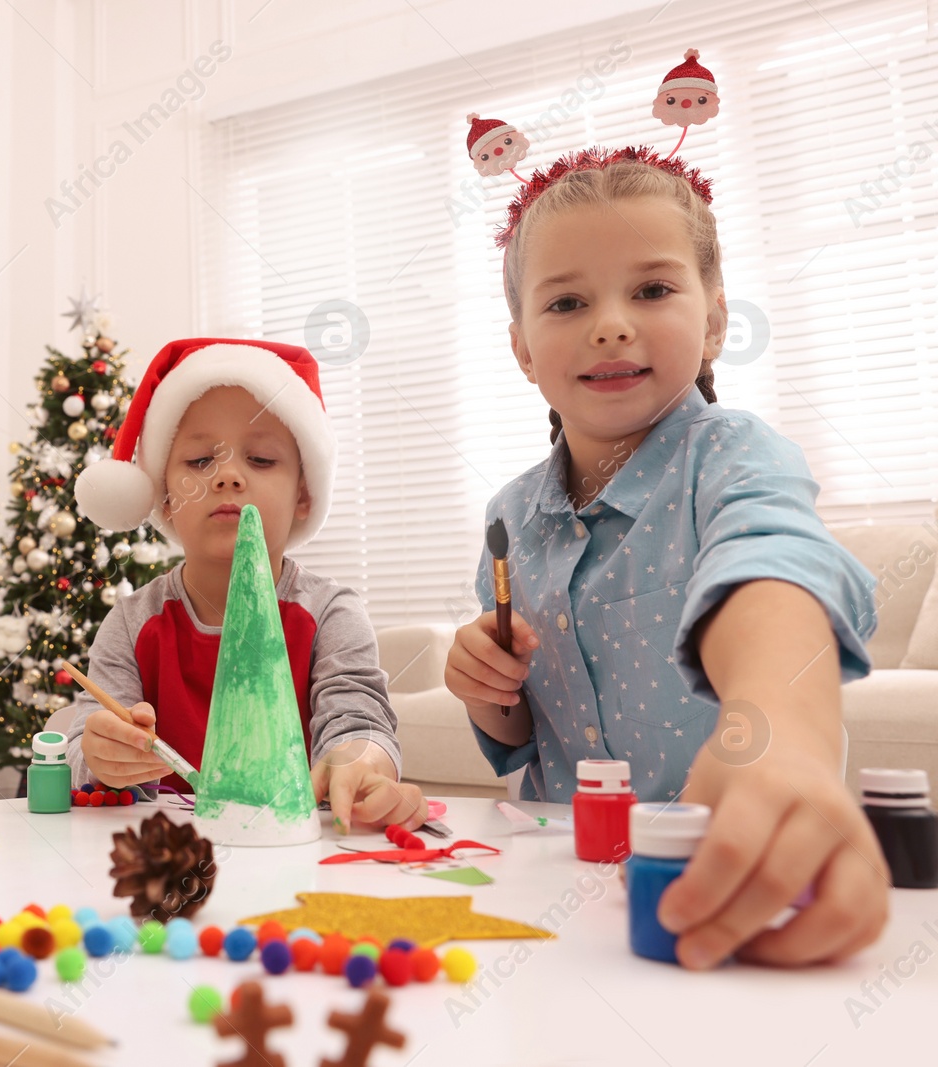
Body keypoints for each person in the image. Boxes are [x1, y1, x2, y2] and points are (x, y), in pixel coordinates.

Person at [444, 148, 886, 968]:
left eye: (651, 290)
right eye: (569, 300)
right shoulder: (511, 514)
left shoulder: (736, 458)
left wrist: (783, 732)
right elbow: (522, 728)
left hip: (718, 874)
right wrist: (488, 688)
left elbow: (773, 561)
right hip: (553, 884)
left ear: (715, 318)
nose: (611, 322)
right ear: (523, 350)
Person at [69, 338, 426, 832]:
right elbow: (84, 748)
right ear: (165, 499)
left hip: (294, 858)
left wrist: (360, 761)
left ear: (304, 494)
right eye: (199, 462)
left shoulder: (330, 613)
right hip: (165, 857)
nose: (229, 476)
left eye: (260, 459)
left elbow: (358, 719)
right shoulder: (131, 624)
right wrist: (101, 754)